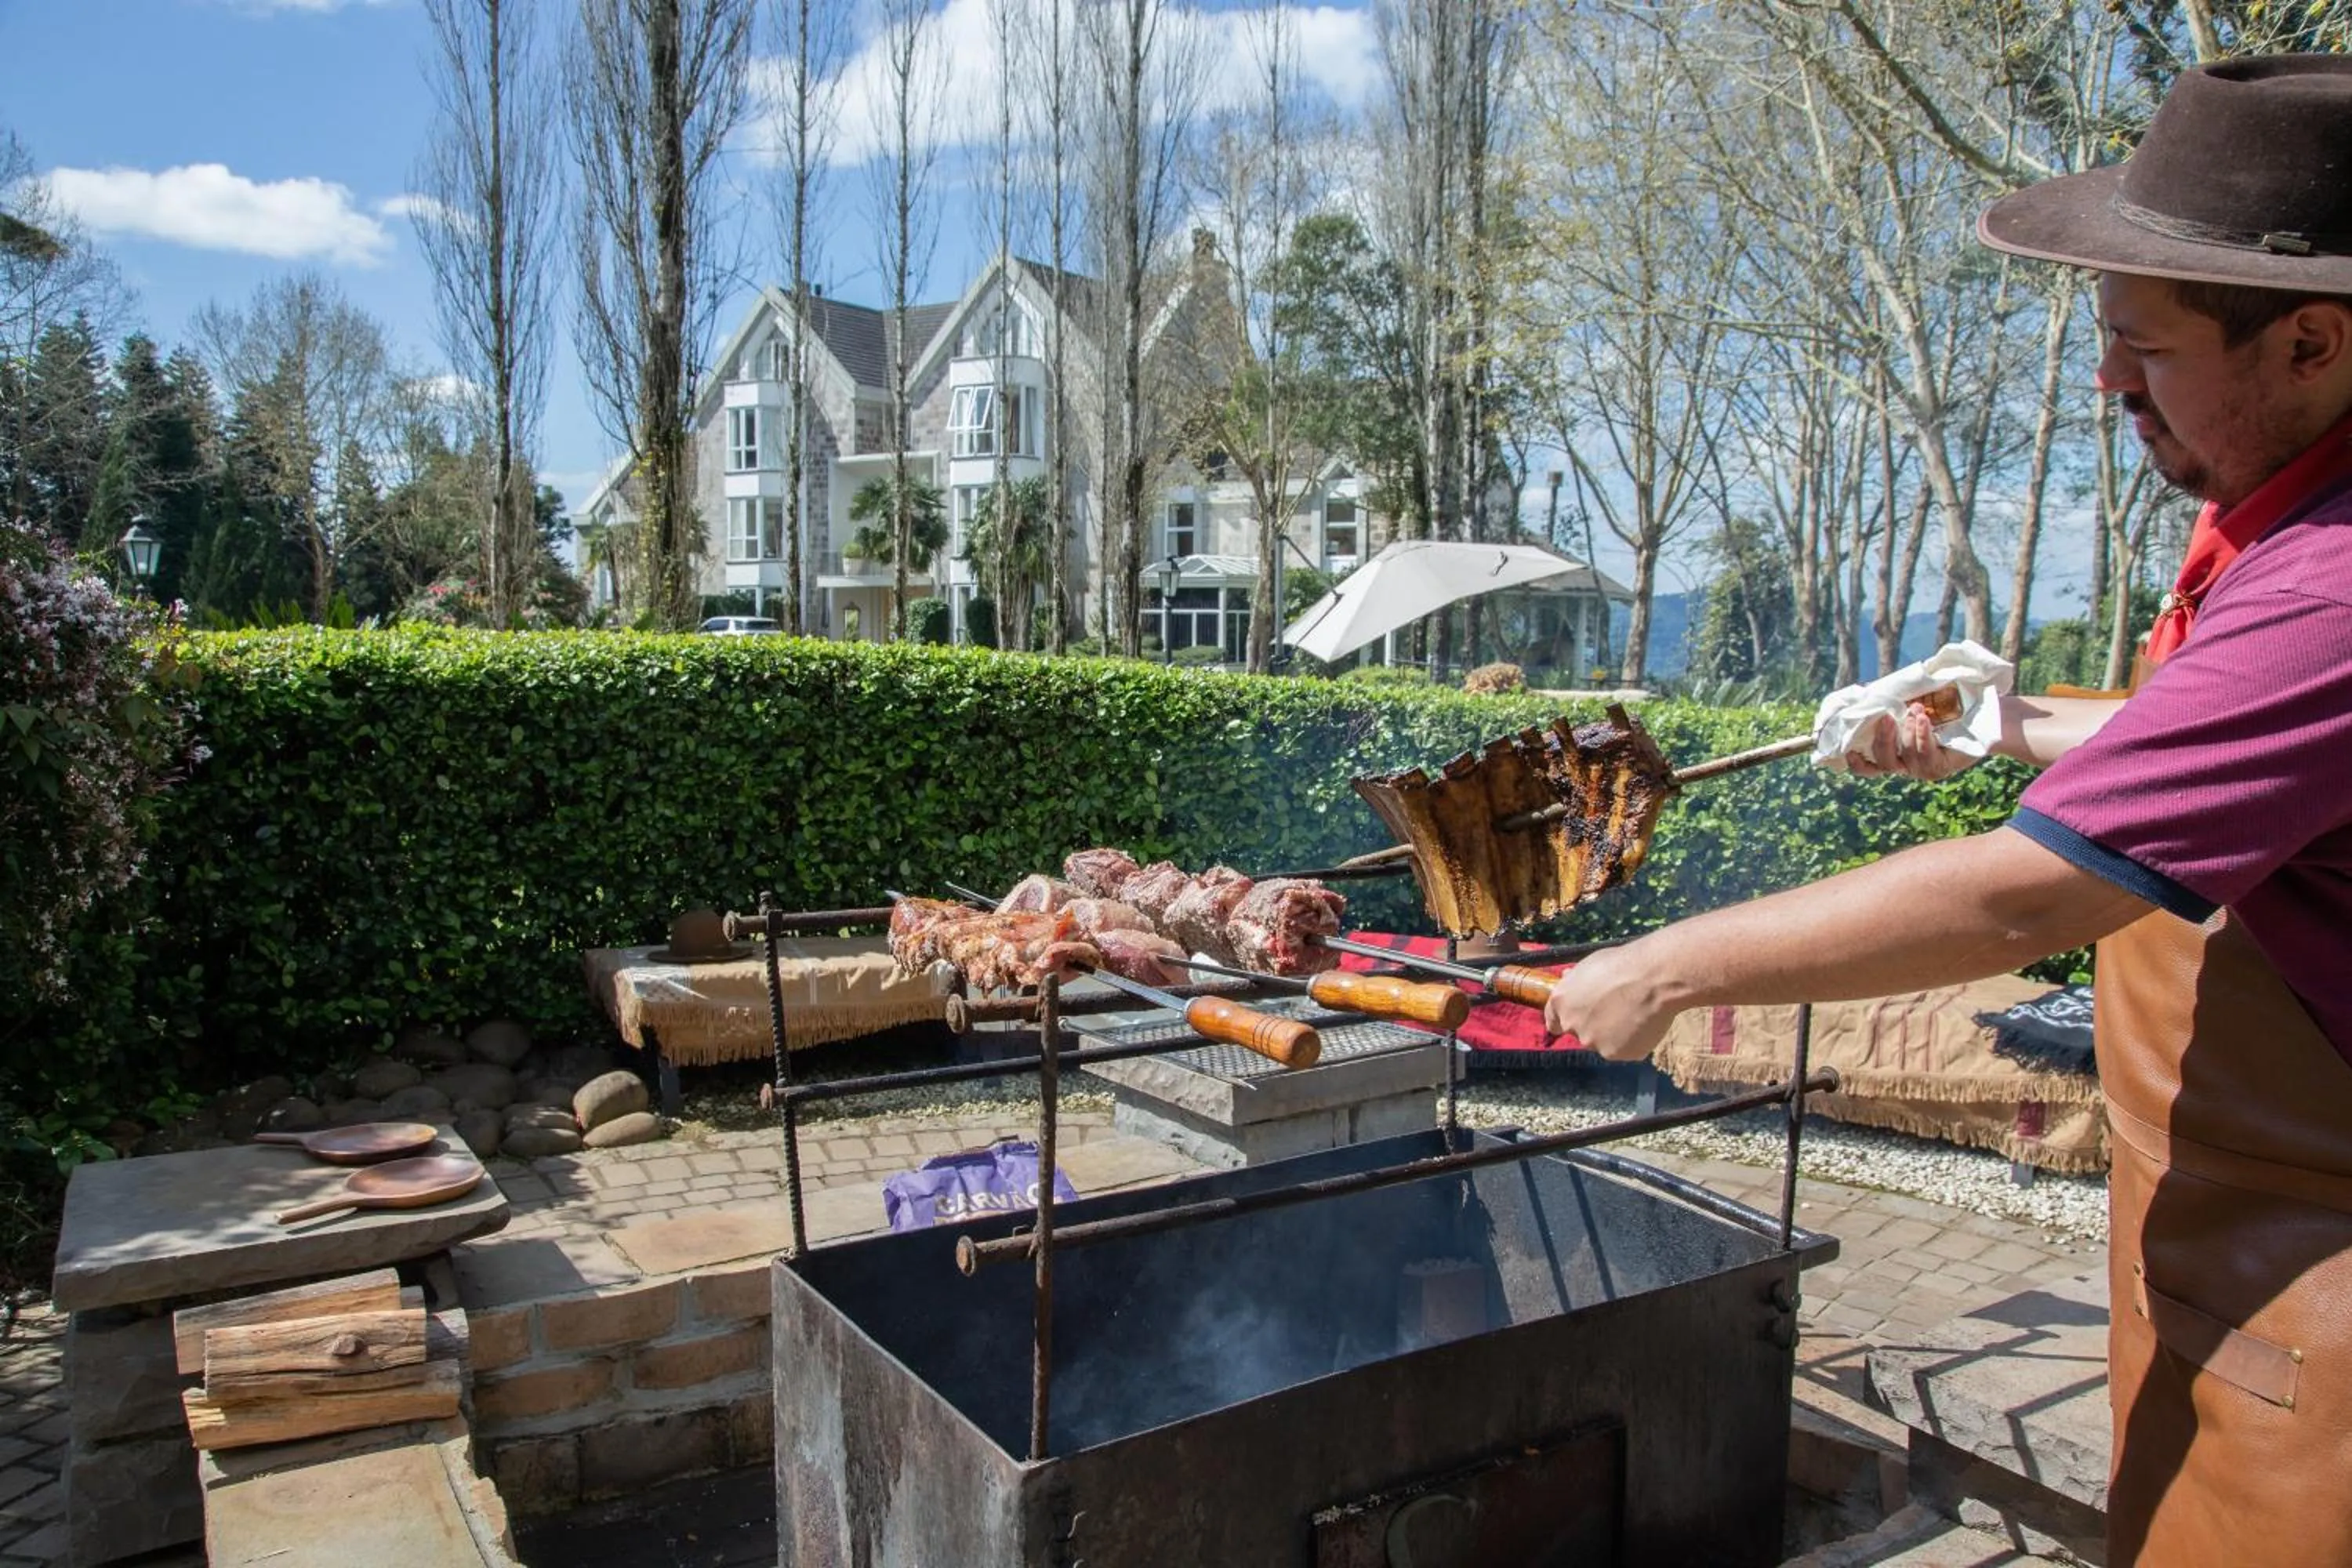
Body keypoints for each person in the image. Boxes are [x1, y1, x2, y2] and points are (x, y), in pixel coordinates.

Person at [1541, 54, 2352, 1568]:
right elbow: (2268, 762)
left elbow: (2026, 895)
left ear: (2310, 339)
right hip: (2230, 1241)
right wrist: (2008, 723)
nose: (2108, 386)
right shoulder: (2289, 522)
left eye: (2144, 349)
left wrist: (1667, 966)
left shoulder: (2335, 583)